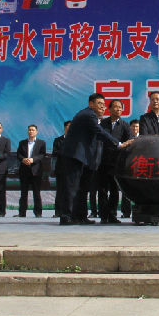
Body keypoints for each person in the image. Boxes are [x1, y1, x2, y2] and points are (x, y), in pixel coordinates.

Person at [60, 93, 132, 225]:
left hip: (84, 158)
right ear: (91, 104)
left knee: (82, 188)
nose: (102, 107)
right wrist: (118, 144)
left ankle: (80, 216)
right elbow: (100, 132)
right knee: (72, 187)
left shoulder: (95, 118)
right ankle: (66, 216)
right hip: (74, 156)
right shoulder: (88, 115)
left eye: (104, 105)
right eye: (99, 104)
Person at [97, 99, 132, 224]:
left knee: (114, 190)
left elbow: (130, 141)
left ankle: (112, 215)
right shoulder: (102, 124)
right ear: (110, 109)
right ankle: (103, 215)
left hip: (116, 162)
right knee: (102, 190)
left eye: (120, 108)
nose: (118, 109)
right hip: (102, 161)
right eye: (116, 107)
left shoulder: (125, 125)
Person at [16, 124, 47, 218]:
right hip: (24, 171)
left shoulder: (41, 143)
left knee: (36, 193)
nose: (31, 131)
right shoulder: (22, 143)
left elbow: (42, 155)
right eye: (29, 130)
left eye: (33, 130)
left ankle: (38, 213)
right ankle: (22, 213)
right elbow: (18, 154)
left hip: (36, 171)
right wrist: (23, 159)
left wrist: (33, 159)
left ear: (36, 132)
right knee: (23, 193)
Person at [120, 119, 140, 218]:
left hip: (140, 167)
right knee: (126, 189)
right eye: (133, 126)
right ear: (130, 127)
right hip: (128, 166)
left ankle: (140, 212)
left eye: (137, 126)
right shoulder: (126, 138)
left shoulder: (143, 138)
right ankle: (126, 212)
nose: (135, 128)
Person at [51, 121, 70, 218]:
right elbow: (55, 152)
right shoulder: (58, 140)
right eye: (68, 126)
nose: (69, 128)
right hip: (61, 169)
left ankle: (71, 212)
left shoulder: (77, 140)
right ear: (64, 128)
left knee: (71, 191)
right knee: (60, 191)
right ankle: (58, 212)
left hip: (72, 170)